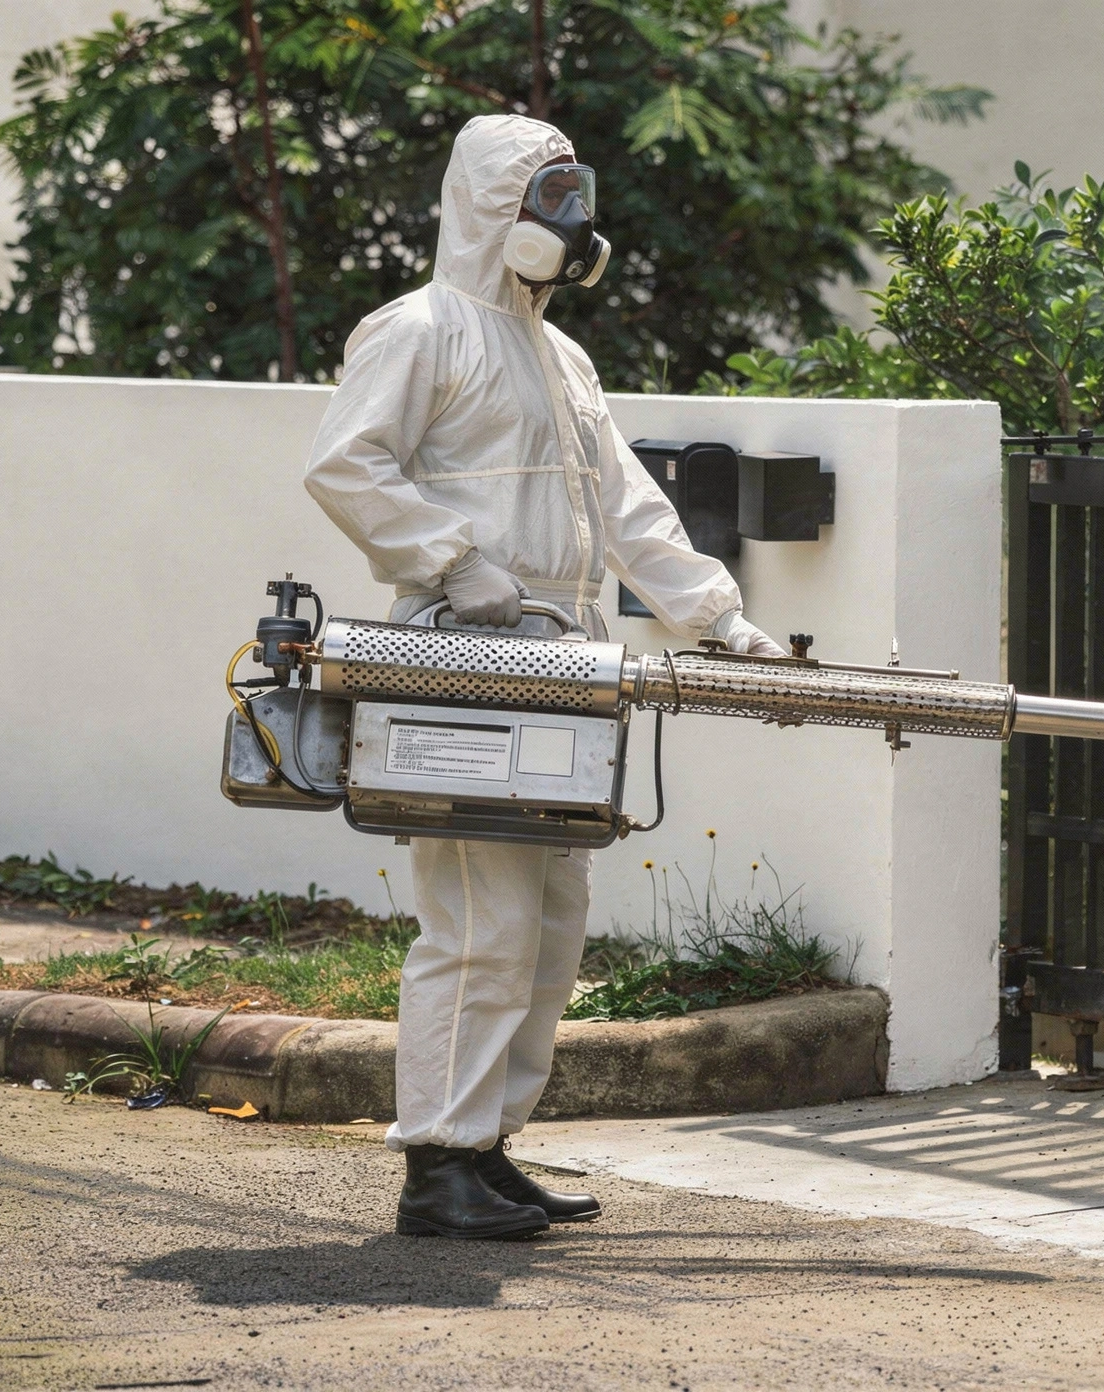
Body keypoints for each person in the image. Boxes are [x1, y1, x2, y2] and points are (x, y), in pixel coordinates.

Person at [303, 114, 784, 1240]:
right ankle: (437, 1163)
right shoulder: (417, 330)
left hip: (554, 663)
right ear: (488, 206)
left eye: (576, 196)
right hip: (457, 655)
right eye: (549, 197)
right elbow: (344, 464)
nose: (571, 225)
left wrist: (718, 618)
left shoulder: (562, 356)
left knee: (553, 916)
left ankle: (488, 1144)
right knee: (481, 923)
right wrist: (453, 560)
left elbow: (626, 509)